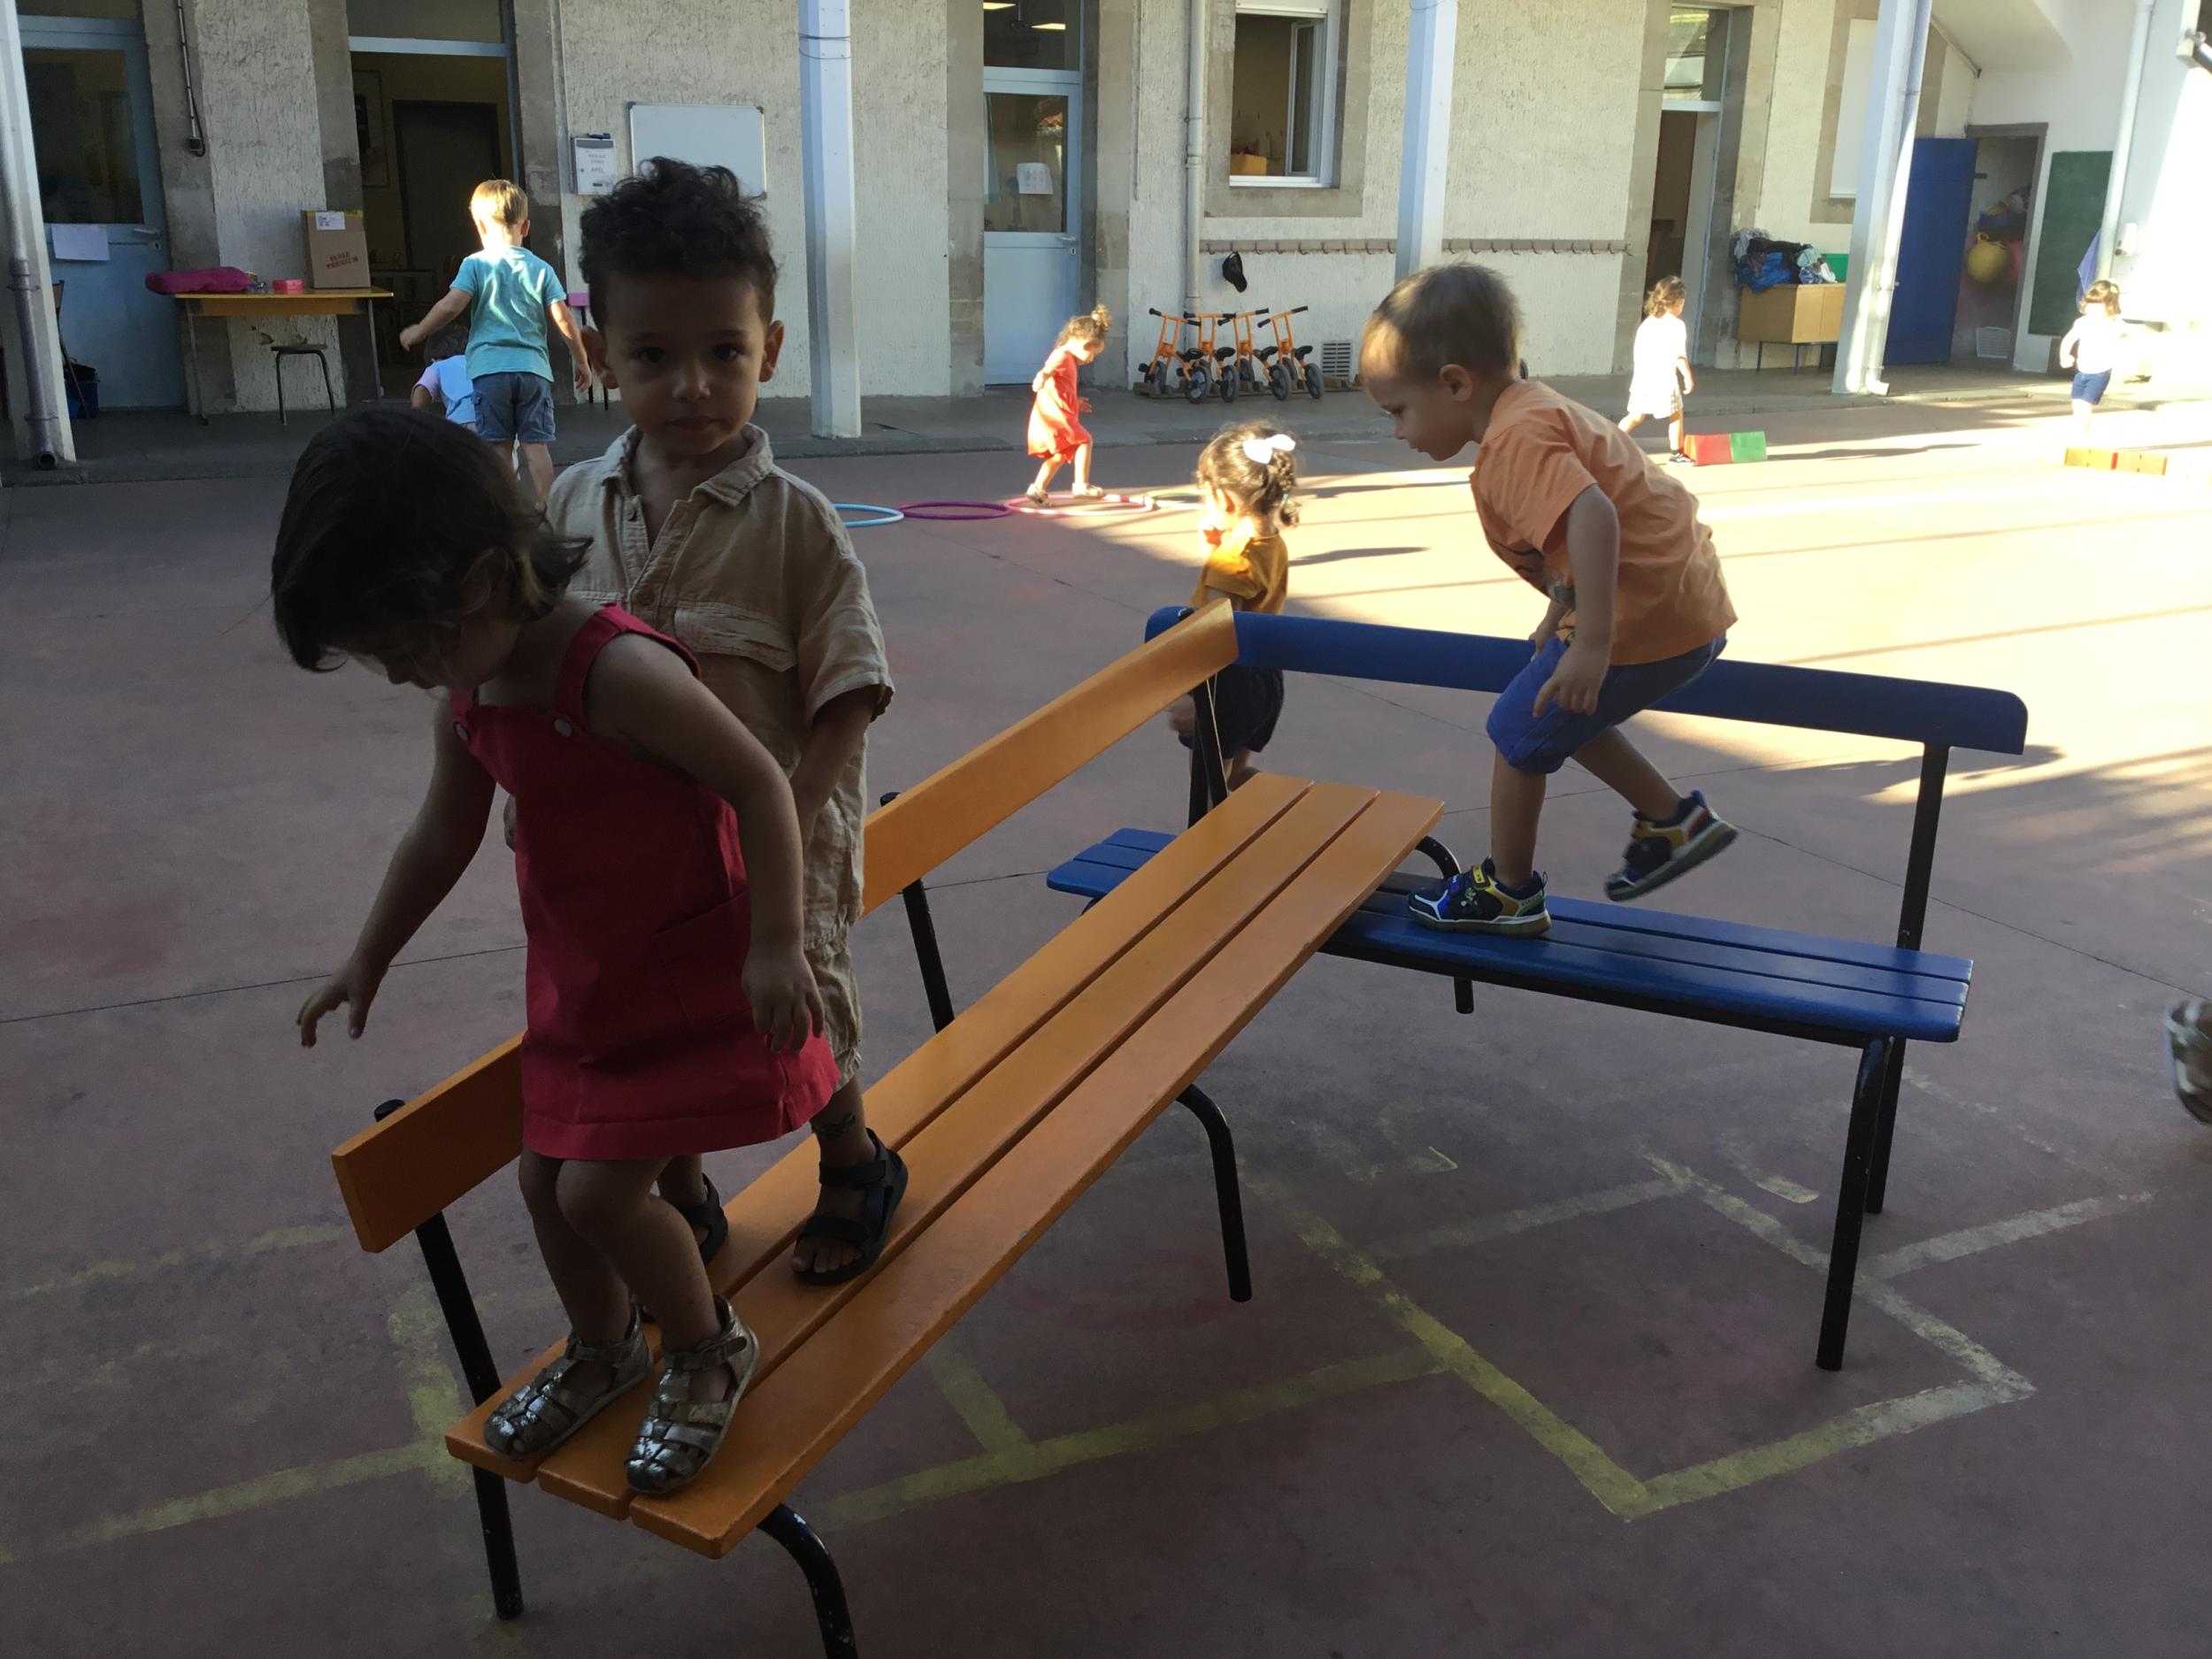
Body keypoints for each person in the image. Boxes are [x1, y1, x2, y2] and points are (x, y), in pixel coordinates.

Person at [277, 407, 839, 1494]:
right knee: (546, 1182)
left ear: (487, 581)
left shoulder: (615, 671)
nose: (400, 676)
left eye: (406, 646)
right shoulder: (473, 685)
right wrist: (368, 957)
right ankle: (606, 1345)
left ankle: (708, 1346)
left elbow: (761, 786)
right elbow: (442, 831)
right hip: (593, 985)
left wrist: (777, 944)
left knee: (597, 1197)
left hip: (689, 980)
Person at [546, 157, 902, 1285]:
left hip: (779, 839)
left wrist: (784, 820)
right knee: (659, 1011)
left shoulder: (797, 524)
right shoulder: (570, 504)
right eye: (653, 356)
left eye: (724, 354)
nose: (693, 386)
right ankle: (683, 1191)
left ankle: (852, 1158)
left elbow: (849, 692)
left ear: (771, 351)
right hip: (630, 853)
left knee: (799, 1001)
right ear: (596, 352)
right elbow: (544, 665)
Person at [1361, 264, 1739, 936]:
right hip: (1683, 598)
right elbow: (1575, 533)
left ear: (1455, 383)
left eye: (1399, 411)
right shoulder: (1535, 410)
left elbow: (1593, 515)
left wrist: (1592, 642)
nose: (1397, 430)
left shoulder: (1514, 442)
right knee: (1555, 713)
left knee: (1515, 730)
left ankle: (1510, 890)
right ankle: (1671, 820)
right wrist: (1560, 609)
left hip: (1643, 610)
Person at [398, 179, 591, 503]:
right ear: (525, 227)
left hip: (490, 373)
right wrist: (582, 359)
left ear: (480, 225)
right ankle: (548, 507)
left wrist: (419, 331)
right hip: (532, 372)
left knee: (498, 446)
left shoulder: (475, 265)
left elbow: (450, 306)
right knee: (536, 445)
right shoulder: (541, 268)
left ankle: (507, 506)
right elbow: (563, 319)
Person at [1169, 422, 1298, 792]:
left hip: (1225, 683)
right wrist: (1213, 554)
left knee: (1208, 785)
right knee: (1237, 775)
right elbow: (1247, 600)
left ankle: (1225, 829)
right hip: (1263, 677)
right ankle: (1271, 808)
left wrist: (1190, 696)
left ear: (1225, 499)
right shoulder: (1271, 543)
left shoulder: (1233, 558)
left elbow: (1217, 630)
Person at [1025, 304, 1112, 504]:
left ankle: (1037, 489)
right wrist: (1040, 379)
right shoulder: (1062, 357)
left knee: (1060, 455)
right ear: (1083, 343)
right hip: (1055, 416)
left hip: (1056, 413)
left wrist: (1076, 402)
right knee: (1085, 440)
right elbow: (1047, 371)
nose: (1091, 359)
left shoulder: (1068, 359)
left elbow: (1062, 388)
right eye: (1092, 354)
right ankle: (1081, 485)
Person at [1619, 275, 1694, 464]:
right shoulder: (1676, 325)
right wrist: (1688, 377)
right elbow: (1679, 356)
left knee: (1635, 416)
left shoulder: (1648, 323)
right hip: (1664, 380)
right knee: (1676, 414)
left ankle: (1609, 442)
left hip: (1643, 379)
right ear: (1678, 302)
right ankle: (1676, 455)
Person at [2059, 278, 2124, 440]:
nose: (2093, 308)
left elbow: (2127, 334)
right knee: (2077, 403)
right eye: (2090, 303)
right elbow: (2068, 339)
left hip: (2100, 372)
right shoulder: (2082, 322)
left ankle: (2080, 434)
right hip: (2082, 370)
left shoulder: (2113, 324)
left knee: (2086, 405)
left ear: (2110, 306)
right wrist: (2064, 356)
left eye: (2098, 304)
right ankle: (2079, 429)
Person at [409, 324, 476, 431]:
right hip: (491, 418)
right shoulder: (477, 362)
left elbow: (421, 389)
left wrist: (415, 421)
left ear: (432, 359)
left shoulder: (437, 366)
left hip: (462, 421)